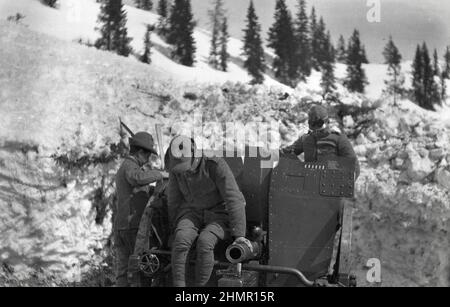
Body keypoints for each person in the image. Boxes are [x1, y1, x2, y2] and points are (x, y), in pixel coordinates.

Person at [167, 136, 250, 287]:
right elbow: (173, 199)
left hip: (218, 214)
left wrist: (239, 236)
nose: (183, 171)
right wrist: (173, 227)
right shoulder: (176, 167)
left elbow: (233, 198)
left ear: (194, 153)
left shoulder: (214, 165)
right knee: (181, 239)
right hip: (192, 211)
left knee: (205, 242)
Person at [114, 131, 169, 287]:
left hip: (123, 226)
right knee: (139, 268)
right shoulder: (130, 166)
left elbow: (139, 191)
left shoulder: (128, 167)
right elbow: (137, 179)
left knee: (124, 271)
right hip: (132, 227)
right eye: (147, 156)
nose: (147, 160)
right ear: (140, 153)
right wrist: (161, 175)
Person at [282, 105, 360, 178]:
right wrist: (271, 155)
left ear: (327, 122)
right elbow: (286, 152)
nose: (316, 130)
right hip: (309, 185)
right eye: (314, 125)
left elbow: (354, 167)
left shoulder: (339, 139)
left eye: (319, 125)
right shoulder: (306, 139)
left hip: (332, 185)